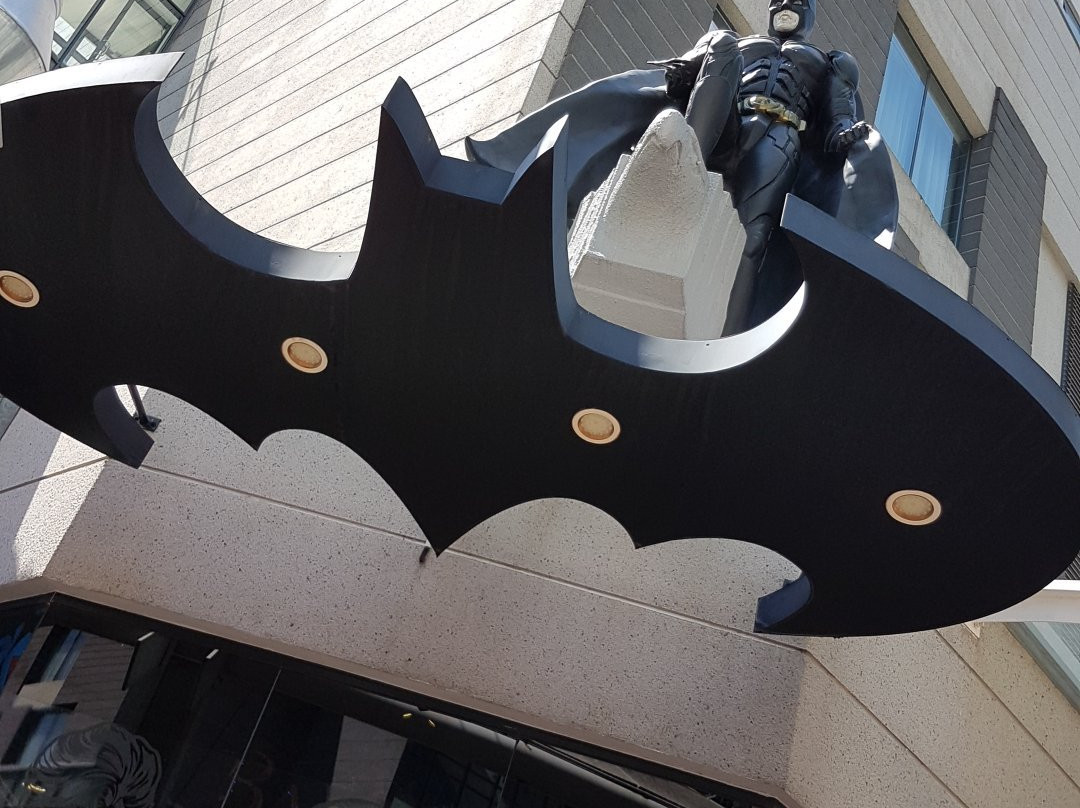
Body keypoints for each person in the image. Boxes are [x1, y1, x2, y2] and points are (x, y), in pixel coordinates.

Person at [650, 0, 871, 333]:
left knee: (752, 239)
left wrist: (844, 135)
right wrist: (680, 75)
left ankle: (729, 338)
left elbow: (838, 116)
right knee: (721, 40)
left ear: (811, 12)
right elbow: (688, 80)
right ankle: (684, 163)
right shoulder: (736, 44)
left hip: (779, 136)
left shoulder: (829, 62)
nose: (785, 4)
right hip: (727, 126)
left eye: (797, 0)